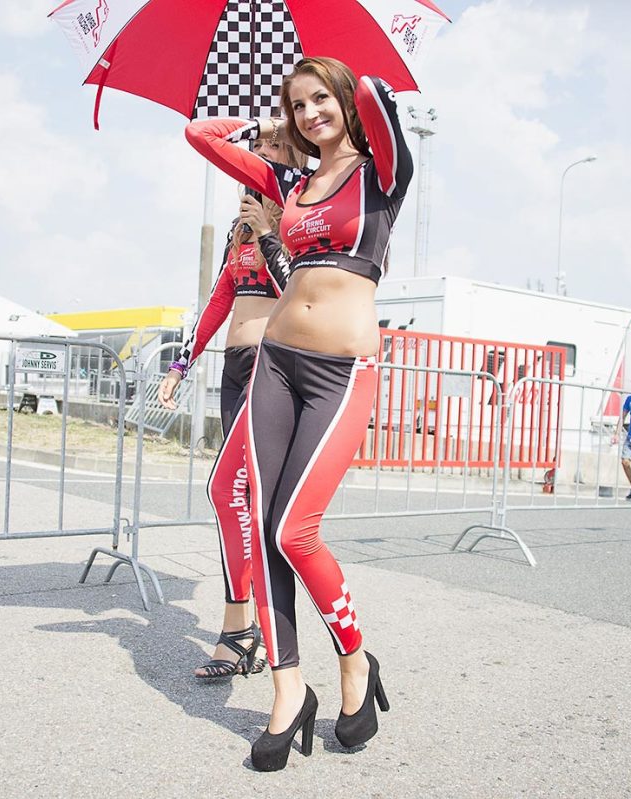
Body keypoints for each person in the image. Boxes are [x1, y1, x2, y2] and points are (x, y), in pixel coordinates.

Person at [186, 56, 411, 770]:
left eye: (320, 101)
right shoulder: (292, 183)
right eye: (298, 106)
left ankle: (355, 660)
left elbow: (377, 95)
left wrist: (336, 77)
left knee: (294, 528)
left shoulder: (383, 174)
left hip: (341, 370)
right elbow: (200, 133)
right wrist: (268, 122)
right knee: (259, 518)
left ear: (343, 101)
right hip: (275, 362)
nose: (309, 114)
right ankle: (288, 688)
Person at [158, 134, 307, 681]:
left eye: (272, 146)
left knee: (230, 490)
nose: (259, 155)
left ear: (292, 156)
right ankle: (251, 631)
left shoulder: (298, 217)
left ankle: (246, 628)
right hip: (234, 369)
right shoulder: (239, 229)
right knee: (240, 498)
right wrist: (181, 363)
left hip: (275, 367)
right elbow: (220, 298)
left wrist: (271, 234)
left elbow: (297, 290)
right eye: (255, 147)